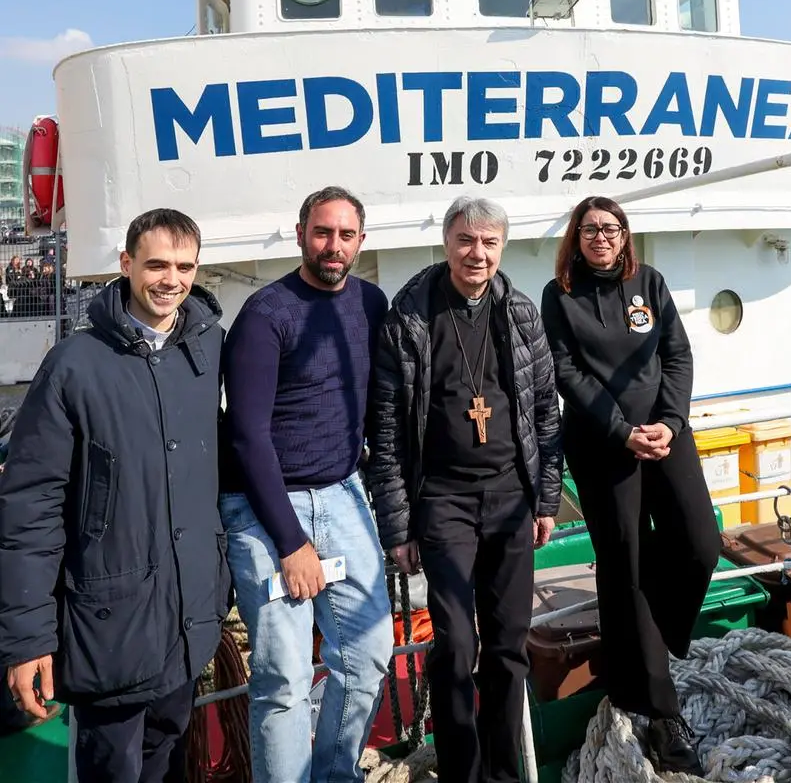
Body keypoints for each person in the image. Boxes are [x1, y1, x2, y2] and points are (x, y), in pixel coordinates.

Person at [0, 208, 230, 783]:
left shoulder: (205, 353)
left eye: (183, 266)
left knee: (171, 758)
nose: (170, 280)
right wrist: (27, 639)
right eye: (155, 264)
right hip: (109, 629)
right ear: (126, 264)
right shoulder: (73, 368)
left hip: (185, 624)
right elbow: (30, 510)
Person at [367, 196, 562, 783]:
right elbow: (386, 428)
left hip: (511, 498)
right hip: (443, 501)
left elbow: (546, 411)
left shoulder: (520, 312)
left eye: (489, 243)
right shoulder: (410, 317)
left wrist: (546, 498)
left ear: (501, 248)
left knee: (508, 646)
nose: (477, 253)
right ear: (447, 242)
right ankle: (461, 773)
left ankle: (505, 773)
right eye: (466, 240)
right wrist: (397, 527)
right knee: (455, 646)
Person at [540, 196, 720, 776]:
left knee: (700, 542)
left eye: (610, 228)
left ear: (624, 235)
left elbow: (678, 356)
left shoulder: (650, 282)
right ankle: (661, 712)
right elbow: (566, 371)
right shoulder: (559, 295)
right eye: (590, 229)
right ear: (576, 236)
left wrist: (669, 423)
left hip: (666, 435)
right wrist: (622, 432)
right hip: (602, 446)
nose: (601, 237)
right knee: (626, 565)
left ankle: (653, 639)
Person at [219, 186, 393, 783]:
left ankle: (334, 775)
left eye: (346, 235)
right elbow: (246, 435)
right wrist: (292, 543)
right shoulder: (266, 316)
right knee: (284, 679)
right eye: (323, 233)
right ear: (300, 235)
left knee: (368, 655)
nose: (334, 246)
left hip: (344, 495)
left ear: (361, 242)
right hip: (267, 508)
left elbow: (376, 410)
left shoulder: (370, 303)